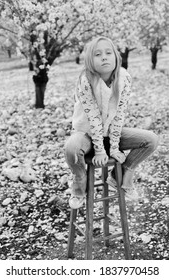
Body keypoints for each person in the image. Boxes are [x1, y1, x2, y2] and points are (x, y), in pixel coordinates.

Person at [65, 36, 158, 209]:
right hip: (86, 134)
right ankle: (79, 186)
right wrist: (100, 151)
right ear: (90, 60)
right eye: (98, 54)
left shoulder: (124, 78)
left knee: (151, 140)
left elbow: (119, 115)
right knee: (71, 147)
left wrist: (114, 148)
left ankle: (119, 175)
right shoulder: (86, 80)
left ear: (116, 56)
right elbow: (93, 117)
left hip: (111, 133)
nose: (104, 57)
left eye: (108, 53)